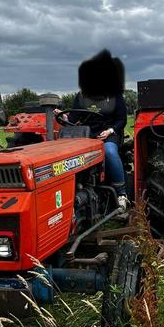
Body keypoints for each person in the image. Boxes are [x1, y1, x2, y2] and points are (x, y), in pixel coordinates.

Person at [57, 49, 129, 211]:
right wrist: (64, 118)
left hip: (109, 134)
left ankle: (121, 193)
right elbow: (74, 119)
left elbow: (122, 120)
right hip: (87, 135)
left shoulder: (115, 95)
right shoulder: (82, 96)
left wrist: (110, 131)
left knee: (110, 151)